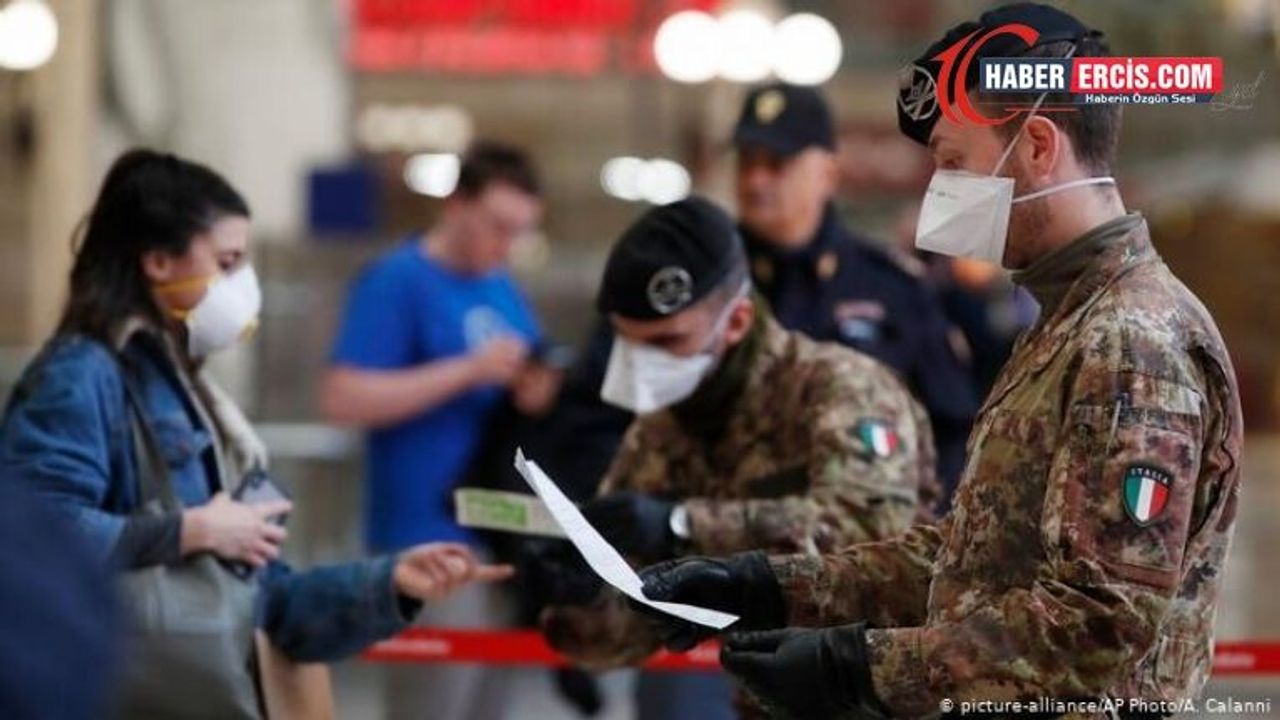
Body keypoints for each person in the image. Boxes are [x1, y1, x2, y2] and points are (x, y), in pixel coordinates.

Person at [639, 4, 1243, 718]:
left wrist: (861, 669)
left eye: (954, 162)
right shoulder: (1070, 323)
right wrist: (768, 587)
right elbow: (972, 557)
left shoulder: (1130, 340)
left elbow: (1099, 624)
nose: (940, 192)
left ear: (1037, 146)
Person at [0, 149, 513, 719]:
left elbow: (265, 602)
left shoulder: (192, 391)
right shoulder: (83, 375)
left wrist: (390, 583)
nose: (240, 284)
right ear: (158, 262)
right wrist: (188, 531)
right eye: (226, 262)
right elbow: (35, 541)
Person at [538, 197, 939, 714]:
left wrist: (683, 525)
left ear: (736, 322)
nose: (643, 364)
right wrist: (580, 597)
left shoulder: (840, 389)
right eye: (629, 343)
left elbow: (874, 536)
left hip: (873, 693)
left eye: (667, 341)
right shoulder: (660, 431)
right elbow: (637, 632)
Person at [320, 140, 551, 720]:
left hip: (499, 527)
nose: (505, 245)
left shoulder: (501, 286)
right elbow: (343, 397)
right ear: (456, 205)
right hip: (425, 532)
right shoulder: (397, 281)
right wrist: (466, 371)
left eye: (519, 232)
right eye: (496, 226)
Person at [733, 81, 979, 500]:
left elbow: (953, 430)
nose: (756, 181)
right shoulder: (707, 285)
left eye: (776, 164)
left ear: (828, 174)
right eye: (746, 162)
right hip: (723, 526)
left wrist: (923, 522)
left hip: (865, 524)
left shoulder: (892, 288)